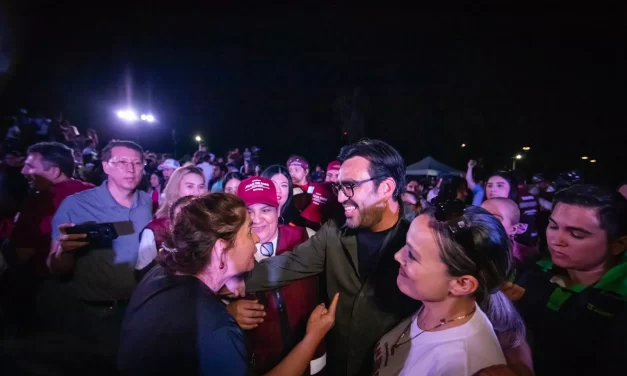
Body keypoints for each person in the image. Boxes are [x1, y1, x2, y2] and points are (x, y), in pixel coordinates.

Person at [228, 139, 420, 376]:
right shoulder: (333, 232)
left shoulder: (423, 241)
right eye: (339, 187)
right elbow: (290, 264)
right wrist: (234, 279)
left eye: (350, 186)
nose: (340, 198)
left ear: (386, 188)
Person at [118, 193, 339, 376]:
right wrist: (313, 337)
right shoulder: (216, 326)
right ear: (221, 249)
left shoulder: (158, 273)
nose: (257, 239)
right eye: (248, 231)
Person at [373, 203, 525, 376]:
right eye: (406, 244)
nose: (398, 256)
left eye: (413, 255)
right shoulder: (430, 305)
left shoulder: (462, 365)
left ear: (462, 284)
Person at [40, 140, 152, 360]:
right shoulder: (75, 205)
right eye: (121, 162)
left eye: (137, 163)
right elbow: (54, 268)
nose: (130, 169)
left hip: (140, 309)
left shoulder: (146, 202)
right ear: (106, 166)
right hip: (97, 314)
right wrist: (65, 252)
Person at [504, 184, 627, 375]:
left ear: (618, 244)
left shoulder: (619, 302)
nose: (556, 239)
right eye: (553, 226)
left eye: (576, 234)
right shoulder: (531, 272)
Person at [229, 177, 326, 374]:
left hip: (313, 360)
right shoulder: (229, 253)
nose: (256, 219)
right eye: (249, 211)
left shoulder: (307, 237)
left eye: (265, 210)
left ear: (278, 210)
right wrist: (228, 314)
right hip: (260, 365)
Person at [135, 166, 206, 280]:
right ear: (175, 189)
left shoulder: (210, 223)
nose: (197, 192)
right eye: (190, 186)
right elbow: (142, 275)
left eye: (201, 186)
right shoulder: (156, 229)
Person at [481, 198, 537, 262]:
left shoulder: (530, 258)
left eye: (494, 219)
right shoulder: (470, 251)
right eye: (479, 217)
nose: (482, 223)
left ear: (513, 229)